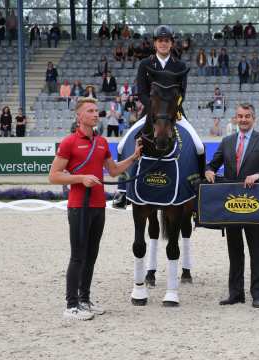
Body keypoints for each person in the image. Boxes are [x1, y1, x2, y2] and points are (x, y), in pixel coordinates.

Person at [48, 97, 142, 321]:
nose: (95, 114)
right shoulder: (69, 142)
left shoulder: (101, 143)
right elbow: (53, 176)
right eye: (90, 111)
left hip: (99, 206)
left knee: (91, 256)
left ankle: (84, 299)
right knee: (78, 256)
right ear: (79, 116)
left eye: (96, 110)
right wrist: (81, 178)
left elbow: (114, 169)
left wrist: (134, 157)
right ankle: (71, 305)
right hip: (79, 207)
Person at [113, 24, 205, 209]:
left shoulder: (180, 65)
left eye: (167, 41)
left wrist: (171, 111)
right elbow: (142, 92)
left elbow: (182, 94)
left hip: (175, 114)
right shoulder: (145, 64)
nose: (163, 44)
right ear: (155, 43)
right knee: (123, 144)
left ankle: (199, 185)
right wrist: (154, 110)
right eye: (160, 41)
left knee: (199, 146)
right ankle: (122, 190)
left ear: (171, 43)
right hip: (150, 113)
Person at [205, 103, 259, 308]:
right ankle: (235, 293)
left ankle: (257, 294)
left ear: (253, 118)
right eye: (240, 116)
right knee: (234, 250)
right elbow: (213, 163)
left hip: (254, 204)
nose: (243, 119)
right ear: (235, 119)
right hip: (231, 205)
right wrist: (209, 171)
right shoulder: (227, 141)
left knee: (256, 249)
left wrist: (257, 175)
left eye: (247, 116)